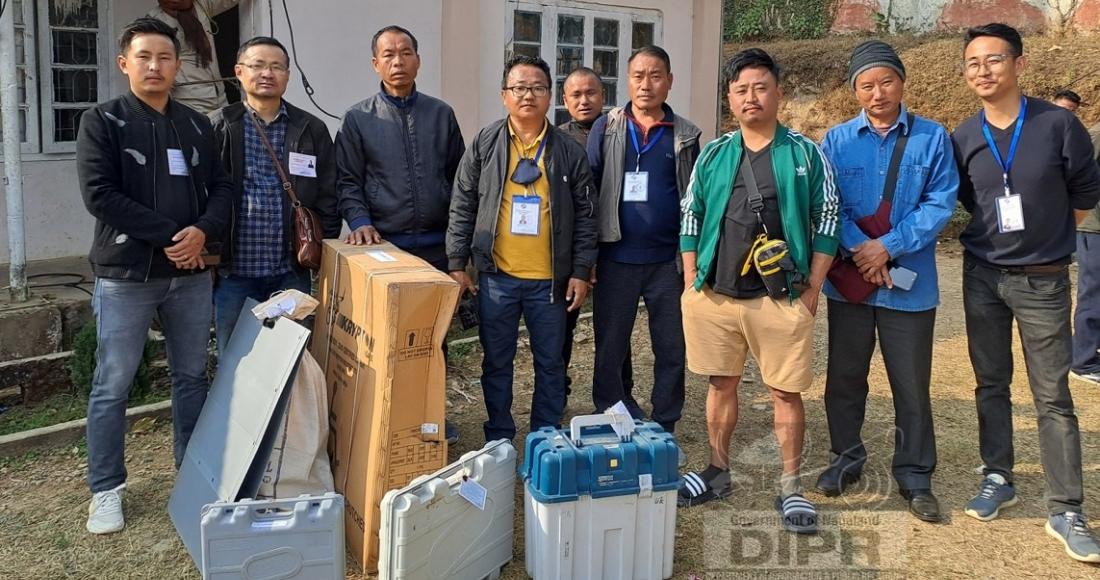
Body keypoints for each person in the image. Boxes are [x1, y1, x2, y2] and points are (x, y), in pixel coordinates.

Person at [76, 17, 233, 534]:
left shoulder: (194, 124)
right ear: (125, 64)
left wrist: (202, 233)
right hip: (126, 274)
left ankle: (190, 471)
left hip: (188, 276)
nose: (155, 66)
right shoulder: (103, 121)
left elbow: (221, 189)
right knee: (112, 383)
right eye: (144, 57)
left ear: (178, 65)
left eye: (164, 57)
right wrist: (175, 234)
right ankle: (106, 489)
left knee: (191, 376)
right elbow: (100, 195)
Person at [952, 23, 1100, 563]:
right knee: (991, 382)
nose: (983, 70)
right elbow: (970, 198)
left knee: (1053, 396)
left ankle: (1065, 508)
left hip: (1042, 280)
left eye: (993, 59)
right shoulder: (965, 136)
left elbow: (1085, 190)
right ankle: (998, 475)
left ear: (1019, 64)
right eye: (972, 62)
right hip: (983, 276)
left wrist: (1049, 239)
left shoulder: (1059, 124)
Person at [676, 49, 839, 537]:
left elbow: (828, 217)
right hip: (716, 293)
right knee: (720, 383)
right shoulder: (714, 153)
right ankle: (718, 470)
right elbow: (691, 214)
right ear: (730, 99)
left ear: (778, 94)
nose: (751, 97)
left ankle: (791, 484)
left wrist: (812, 286)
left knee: (785, 392)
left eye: (760, 87)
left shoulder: (805, 154)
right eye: (741, 89)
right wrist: (690, 282)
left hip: (781, 297)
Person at [817, 40, 959, 523]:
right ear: (854, 90)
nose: (877, 93)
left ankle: (916, 474)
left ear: (902, 82)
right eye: (866, 85)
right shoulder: (836, 141)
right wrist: (862, 248)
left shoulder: (933, 137)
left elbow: (941, 202)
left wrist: (888, 246)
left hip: (910, 287)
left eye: (886, 82)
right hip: (852, 285)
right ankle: (845, 458)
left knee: (911, 384)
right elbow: (826, 202)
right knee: (844, 378)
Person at [446, 55, 598, 442]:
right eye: (519, 88)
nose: (527, 95)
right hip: (497, 278)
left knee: (550, 364)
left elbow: (586, 215)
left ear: (550, 97)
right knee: (497, 363)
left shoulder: (567, 150)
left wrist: (580, 270)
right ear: (504, 95)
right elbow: (463, 202)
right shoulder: (485, 142)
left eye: (537, 88)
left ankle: (544, 438)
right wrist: (457, 263)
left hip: (550, 282)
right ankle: (499, 436)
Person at [336, 24, 465, 443]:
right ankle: (389, 425)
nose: (398, 61)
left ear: (418, 60)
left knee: (434, 342)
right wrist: (360, 222)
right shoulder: (358, 118)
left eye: (405, 52)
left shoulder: (440, 114)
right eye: (388, 54)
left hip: (436, 248)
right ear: (375, 63)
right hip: (385, 249)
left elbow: (459, 179)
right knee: (387, 342)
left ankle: (432, 420)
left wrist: (459, 241)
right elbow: (348, 181)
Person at [587, 46, 700, 446]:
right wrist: (588, 258)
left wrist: (692, 261)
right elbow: (589, 191)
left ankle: (666, 421)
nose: (646, 84)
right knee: (610, 344)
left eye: (655, 76)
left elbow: (694, 200)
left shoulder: (686, 134)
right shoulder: (608, 127)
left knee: (671, 346)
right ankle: (613, 411)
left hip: (668, 262)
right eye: (638, 75)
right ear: (627, 80)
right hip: (615, 257)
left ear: (669, 81)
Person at [209, 36, 340, 349]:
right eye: (258, 65)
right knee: (234, 362)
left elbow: (328, 193)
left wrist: (320, 247)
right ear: (239, 72)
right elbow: (205, 193)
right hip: (235, 274)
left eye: (276, 67)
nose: (267, 73)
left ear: (288, 75)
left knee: (291, 357)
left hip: (289, 272)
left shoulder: (310, 128)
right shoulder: (219, 126)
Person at [557, 66, 632, 401]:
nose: (584, 100)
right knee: (561, 329)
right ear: (565, 100)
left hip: (616, 248)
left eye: (591, 93)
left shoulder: (623, 133)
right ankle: (557, 393)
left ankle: (620, 396)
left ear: (603, 96)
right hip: (570, 251)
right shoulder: (557, 140)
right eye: (576, 94)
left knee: (616, 329)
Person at [147, 0, 238, 114]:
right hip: (189, 101)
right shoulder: (155, 22)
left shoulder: (201, 5)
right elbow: (158, 68)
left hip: (220, 97)